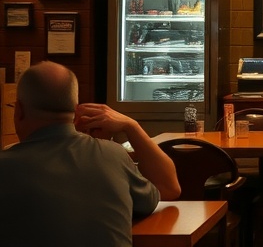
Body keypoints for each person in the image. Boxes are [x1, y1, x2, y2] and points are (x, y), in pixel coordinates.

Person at [0, 61, 180, 247]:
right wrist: (131, 126)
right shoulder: (112, 155)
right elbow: (169, 187)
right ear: (76, 109)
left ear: (19, 110)